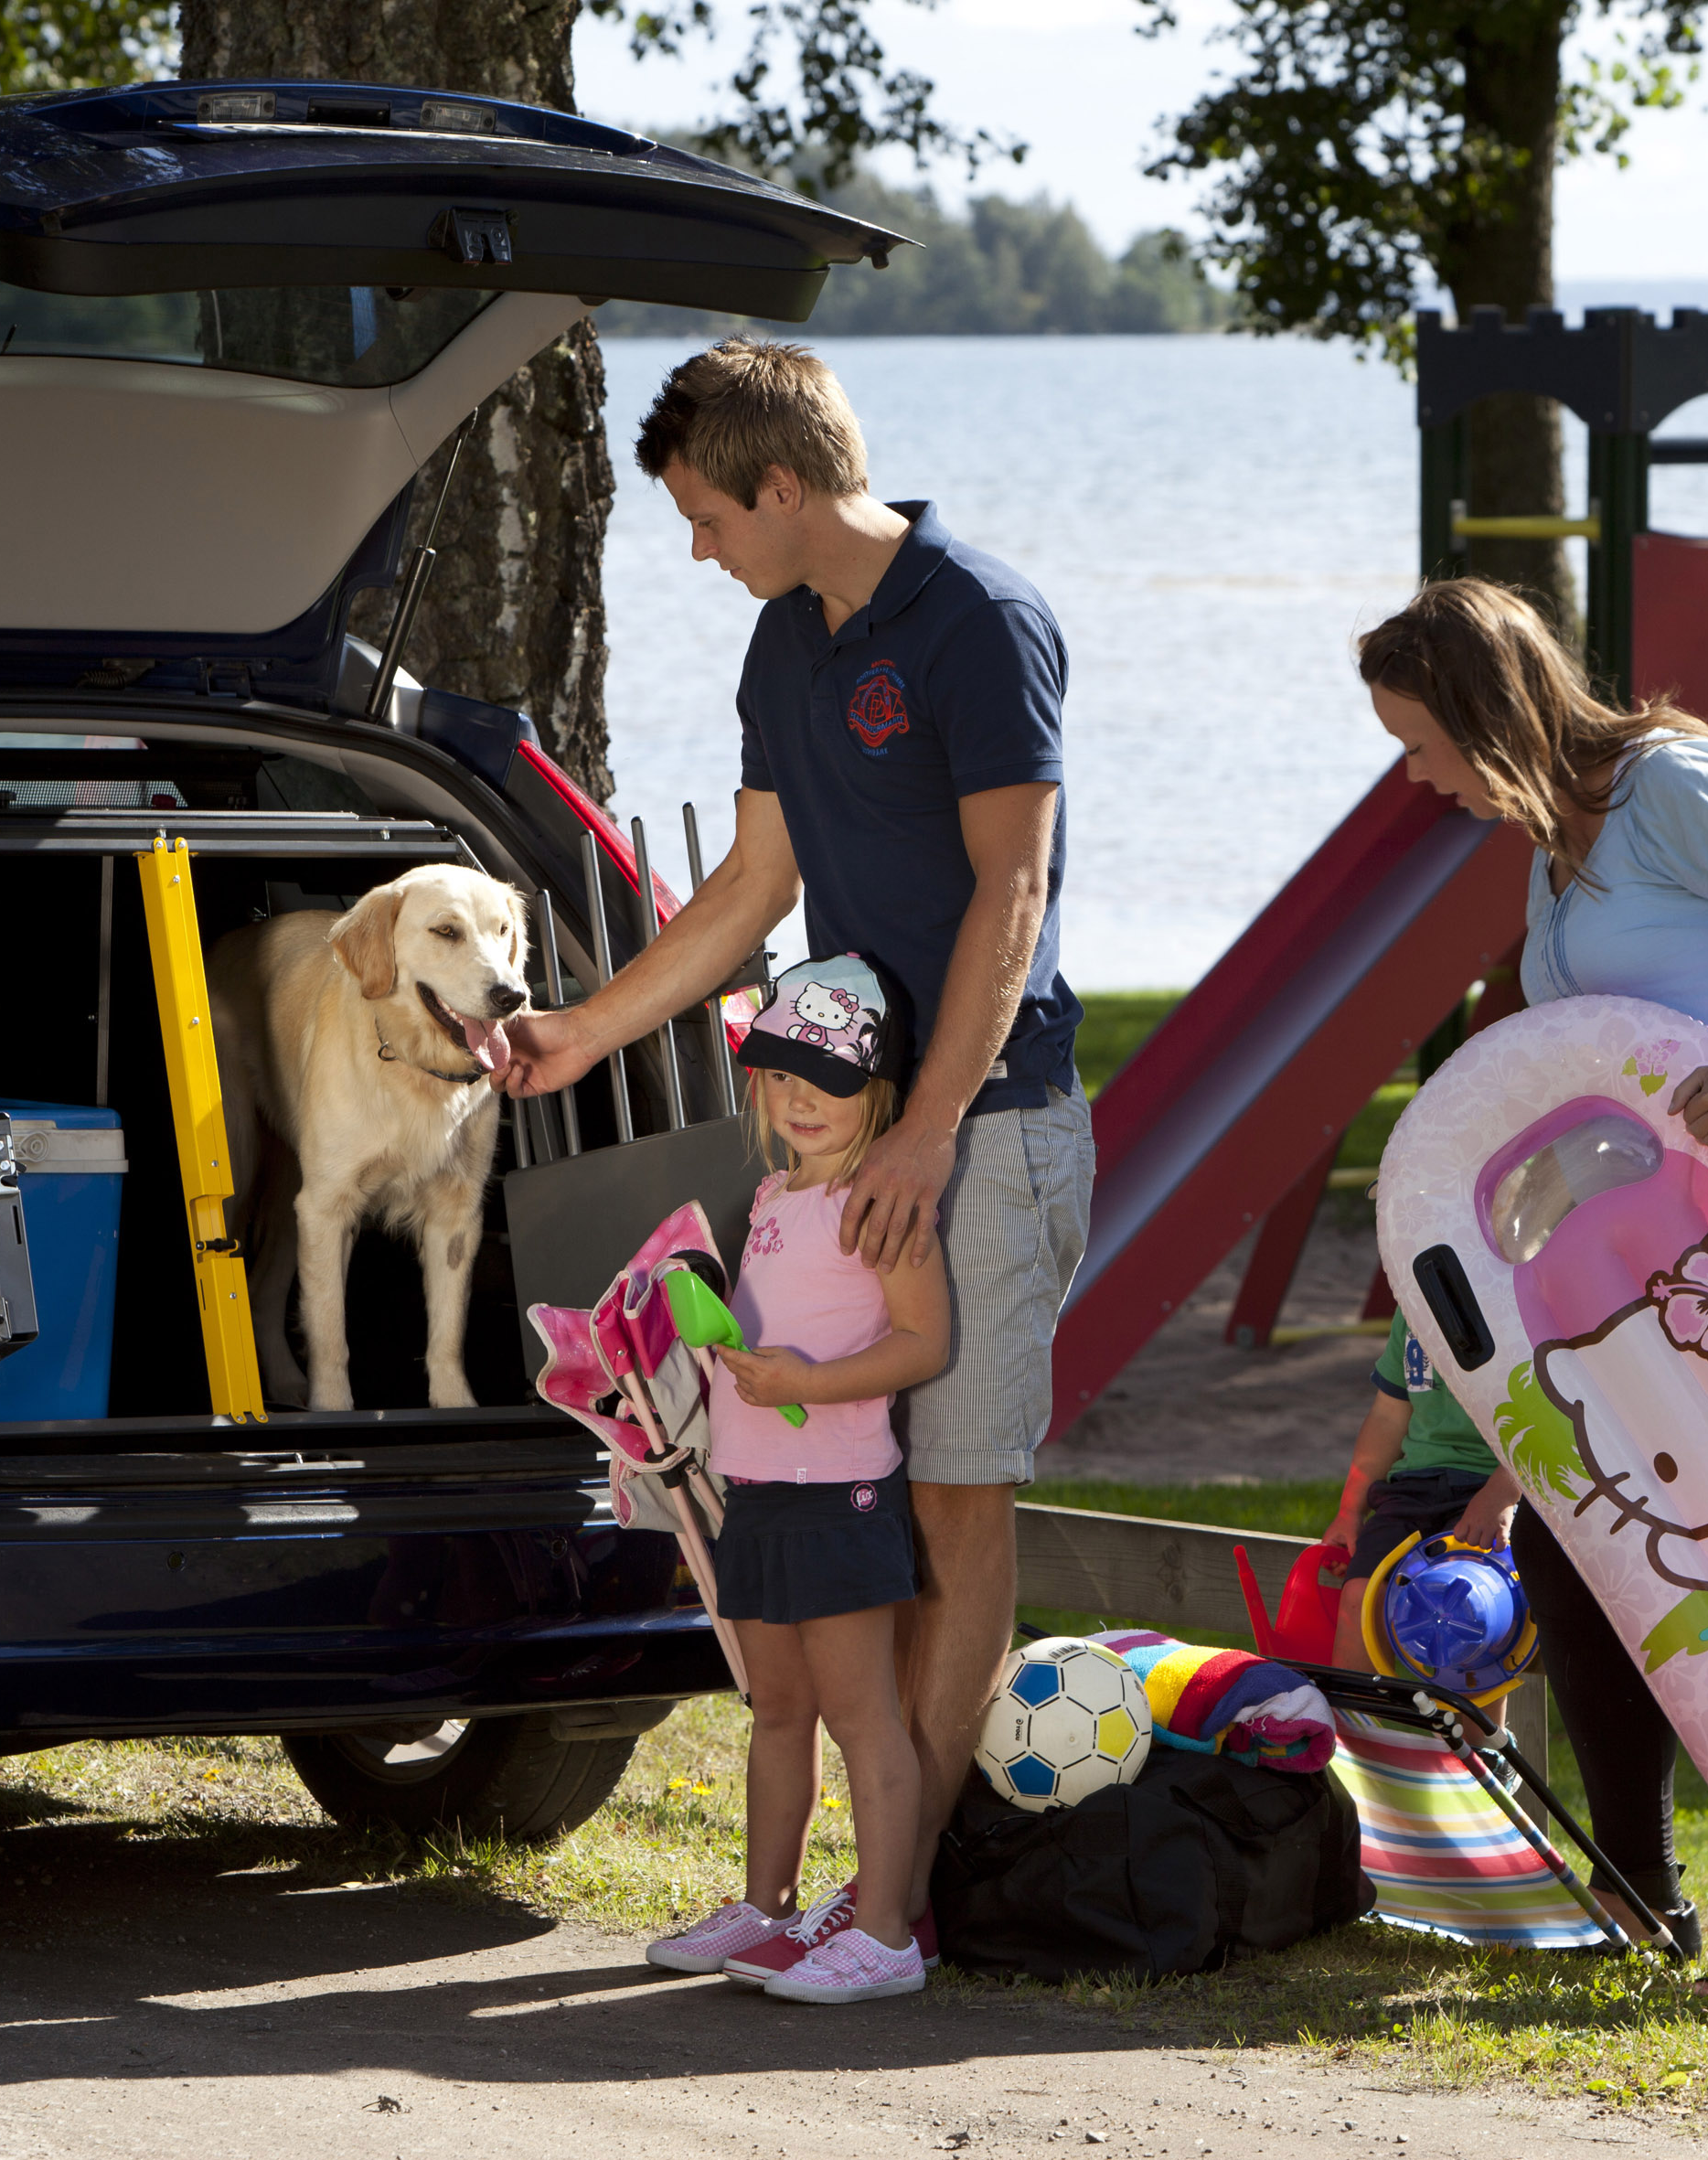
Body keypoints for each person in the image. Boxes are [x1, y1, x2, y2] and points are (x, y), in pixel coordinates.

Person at [501, 341, 1094, 1960]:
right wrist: (587, 1029)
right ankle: (853, 1888)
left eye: (703, 517)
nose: (697, 549)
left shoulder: (981, 620)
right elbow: (752, 886)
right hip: (855, 1140)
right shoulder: (785, 638)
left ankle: (902, 1902)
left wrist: (924, 1127)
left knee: (958, 1506)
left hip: (985, 1119)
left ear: (780, 486)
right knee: (863, 1510)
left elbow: (1011, 895)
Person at [1356, 576, 1708, 2007]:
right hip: (1653, 1273)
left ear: (1490, 713)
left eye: (1424, 745)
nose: (1417, 779)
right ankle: (1634, 1893)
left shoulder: (1676, 786)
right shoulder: (1554, 845)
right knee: (1582, 1549)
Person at [643, 959, 950, 2002]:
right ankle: (767, 1908)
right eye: (781, 1075)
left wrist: (813, 1381)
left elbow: (923, 1342)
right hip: (760, 1489)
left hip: (841, 1492)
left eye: (828, 1077)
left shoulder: (878, 1200)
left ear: (880, 1094)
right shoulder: (774, 1195)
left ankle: (884, 1933)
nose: (802, 1097)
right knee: (775, 1706)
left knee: (863, 1715)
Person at [1321, 1310, 1519, 1671]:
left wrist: (1502, 1494)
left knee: (1469, 1601)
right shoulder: (1413, 1299)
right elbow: (1387, 1416)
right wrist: (1350, 1511)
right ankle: (1354, 1723)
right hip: (1412, 1486)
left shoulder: (1519, 1293)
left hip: (1492, 1484)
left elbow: (1553, 1412)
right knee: (1360, 1595)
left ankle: (1479, 1730)